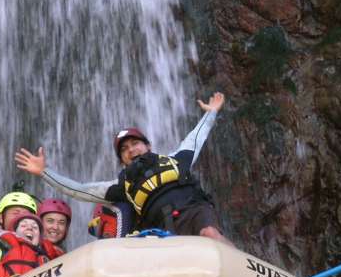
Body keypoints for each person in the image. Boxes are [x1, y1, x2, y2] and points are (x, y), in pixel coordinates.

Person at [15, 92, 232, 244]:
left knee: (209, 233)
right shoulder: (122, 186)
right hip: (159, 230)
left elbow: (196, 137)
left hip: (193, 209)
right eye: (124, 149)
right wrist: (44, 172)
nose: (131, 150)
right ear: (122, 161)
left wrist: (211, 112)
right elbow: (78, 189)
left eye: (135, 143)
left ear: (148, 146)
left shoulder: (176, 159)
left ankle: (238, 271)